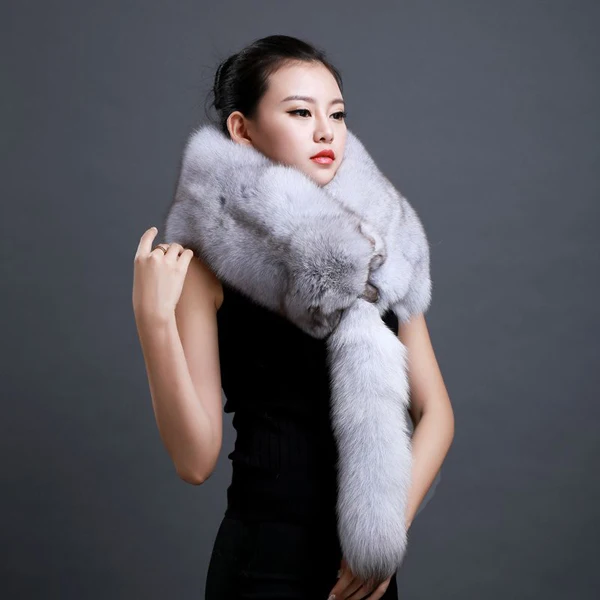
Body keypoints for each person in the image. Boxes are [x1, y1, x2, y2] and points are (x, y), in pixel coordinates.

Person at [132, 34, 455, 600]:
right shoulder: (205, 263)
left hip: (363, 577)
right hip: (263, 567)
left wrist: (382, 537)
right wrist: (152, 320)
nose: (326, 131)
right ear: (242, 129)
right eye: (301, 112)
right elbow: (194, 460)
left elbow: (437, 413)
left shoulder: (385, 243)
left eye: (337, 114)